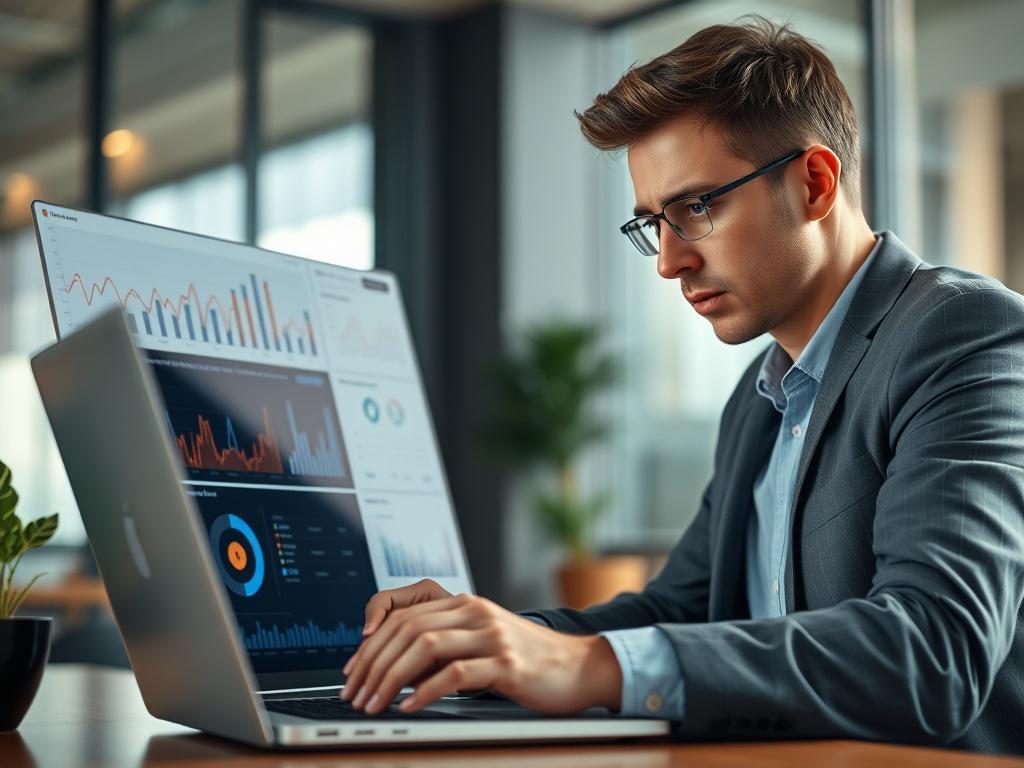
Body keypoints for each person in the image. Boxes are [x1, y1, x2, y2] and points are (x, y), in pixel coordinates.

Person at [339, 16, 1024, 752]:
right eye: (653, 224)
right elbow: (682, 611)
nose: (669, 263)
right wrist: (487, 643)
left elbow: (935, 651)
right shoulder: (761, 398)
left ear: (815, 183)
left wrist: (582, 666)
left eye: (697, 207)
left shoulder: (963, 333)